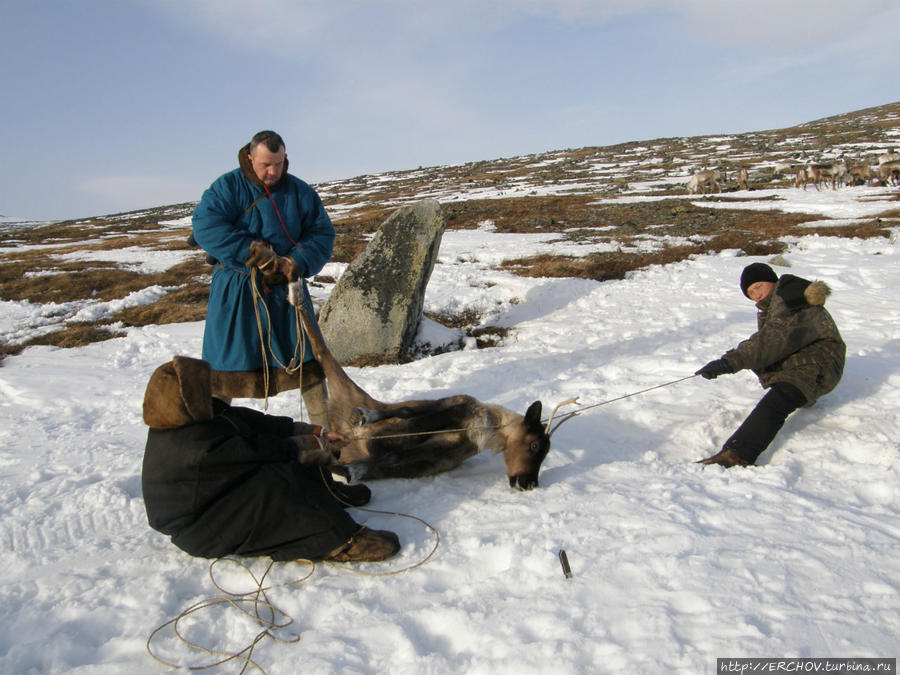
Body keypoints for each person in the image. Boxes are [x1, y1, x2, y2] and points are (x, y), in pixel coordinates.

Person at [141, 356, 400, 563]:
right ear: (188, 397)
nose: (211, 388)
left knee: (287, 463)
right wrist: (316, 444)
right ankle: (337, 541)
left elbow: (261, 425)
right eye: (203, 386)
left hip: (215, 500)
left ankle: (325, 496)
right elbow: (266, 450)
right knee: (275, 479)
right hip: (202, 527)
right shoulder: (193, 445)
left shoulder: (201, 416)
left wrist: (314, 432)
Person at [191, 130, 334, 423]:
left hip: (287, 289)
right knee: (223, 367)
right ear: (249, 157)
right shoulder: (227, 187)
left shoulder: (300, 192)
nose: (273, 171)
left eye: (280, 163)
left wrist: (297, 261)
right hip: (237, 290)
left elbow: (322, 233)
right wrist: (255, 254)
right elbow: (205, 226)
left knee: (307, 363)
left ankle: (328, 438)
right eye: (266, 164)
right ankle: (209, 439)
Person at [695, 262, 845, 467]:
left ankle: (737, 455)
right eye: (750, 293)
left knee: (778, 400)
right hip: (807, 359)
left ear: (772, 281)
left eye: (758, 287)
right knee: (778, 382)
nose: (756, 295)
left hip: (820, 362)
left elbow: (769, 342)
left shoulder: (790, 301)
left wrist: (729, 362)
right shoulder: (781, 301)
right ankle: (803, 396)